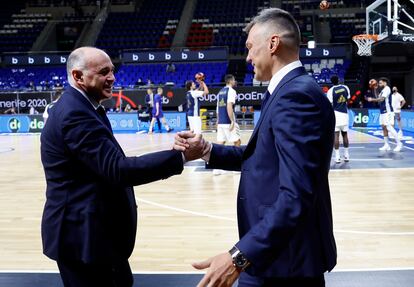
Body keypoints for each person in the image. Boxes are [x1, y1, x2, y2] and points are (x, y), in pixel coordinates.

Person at [176, 8, 336, 287]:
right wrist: (206, 150)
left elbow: (295, 195)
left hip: (285, 263)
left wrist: (238, 257)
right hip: (274, 256)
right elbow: (262, 159)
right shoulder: (288, 90)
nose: (247, 57)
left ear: (273, 44)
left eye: (250, 47)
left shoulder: (296, 96)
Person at [40, 46, 205, 287]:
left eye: (112, 71)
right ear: (78, 76)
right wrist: (180, 157)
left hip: (93, 236)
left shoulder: (84, 107)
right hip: (83, 239)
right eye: (103, 72)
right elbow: (118, 170)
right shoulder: (74, 113)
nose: (112, 78)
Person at [367, 78, 403, 152]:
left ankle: (399, 144)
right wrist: (374, 88)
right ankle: (387, 145)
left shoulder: (387, 89)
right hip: (382, 111)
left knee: (389, 128)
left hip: (388, 111)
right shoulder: (382, 90)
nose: (379, 84)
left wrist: (372, 99)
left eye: (380, 83)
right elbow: (378, 98)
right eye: (379, 83)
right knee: (384, 127)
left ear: (385, 83)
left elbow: (381, 99)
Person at [327, 75, 351, 163]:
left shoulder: (330, 91)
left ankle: (337, 157)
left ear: (331, 82)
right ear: (338, 80)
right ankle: (347, 155)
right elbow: (348, 98)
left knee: (336, 136)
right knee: (345, 135)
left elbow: (330, 103)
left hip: (336, 114)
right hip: (345, 113)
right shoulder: (345, 87)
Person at [216, 74, 241, 146]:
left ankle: (217, 157)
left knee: (221, 142)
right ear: (230, 81)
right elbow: (229, 105)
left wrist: (218, 120)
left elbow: (218, 107)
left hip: (221, 122)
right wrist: (232, 121)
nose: (234, 81)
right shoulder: (231, 91)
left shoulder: (220, 92)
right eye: (233, 80)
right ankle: (236, 157)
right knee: (237, 141)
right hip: (228, 121)